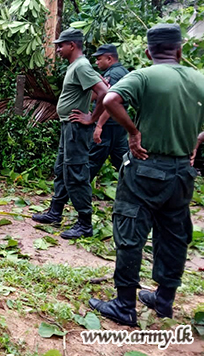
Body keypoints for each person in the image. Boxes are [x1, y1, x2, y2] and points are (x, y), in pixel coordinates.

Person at [89, 24, 204, 327]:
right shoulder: (199, 79)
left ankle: (125, 304)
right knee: (174, 236)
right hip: (182, 173)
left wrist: (133, 132)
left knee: (130, 233)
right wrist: (196, 141)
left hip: (146, 169)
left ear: (148, 51)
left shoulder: (143, 76)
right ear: (179, 50)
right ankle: (164, 300)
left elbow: (112, 100)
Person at [32, 28, 109, 239]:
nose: (57, 49)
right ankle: (55, 212)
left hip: (76, 129)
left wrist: (92, 118)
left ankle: (84, 224)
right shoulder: (76, 66)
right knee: (62, 169)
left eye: (61, 45)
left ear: (72, 45)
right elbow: (93, 92)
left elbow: (104, 92)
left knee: (76, 173)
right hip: (69, 126)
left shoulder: (82, 65)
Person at [89, 44, 130, 181]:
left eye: (99, 59)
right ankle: (135, 191)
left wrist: (99, 126)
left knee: (92, 160)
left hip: (108, 125)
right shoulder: (123, 72)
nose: (97, 62)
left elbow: (110, 103)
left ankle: (76, 192)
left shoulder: (113, 75)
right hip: (119, 124)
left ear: (109, 58)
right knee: (123, 162)